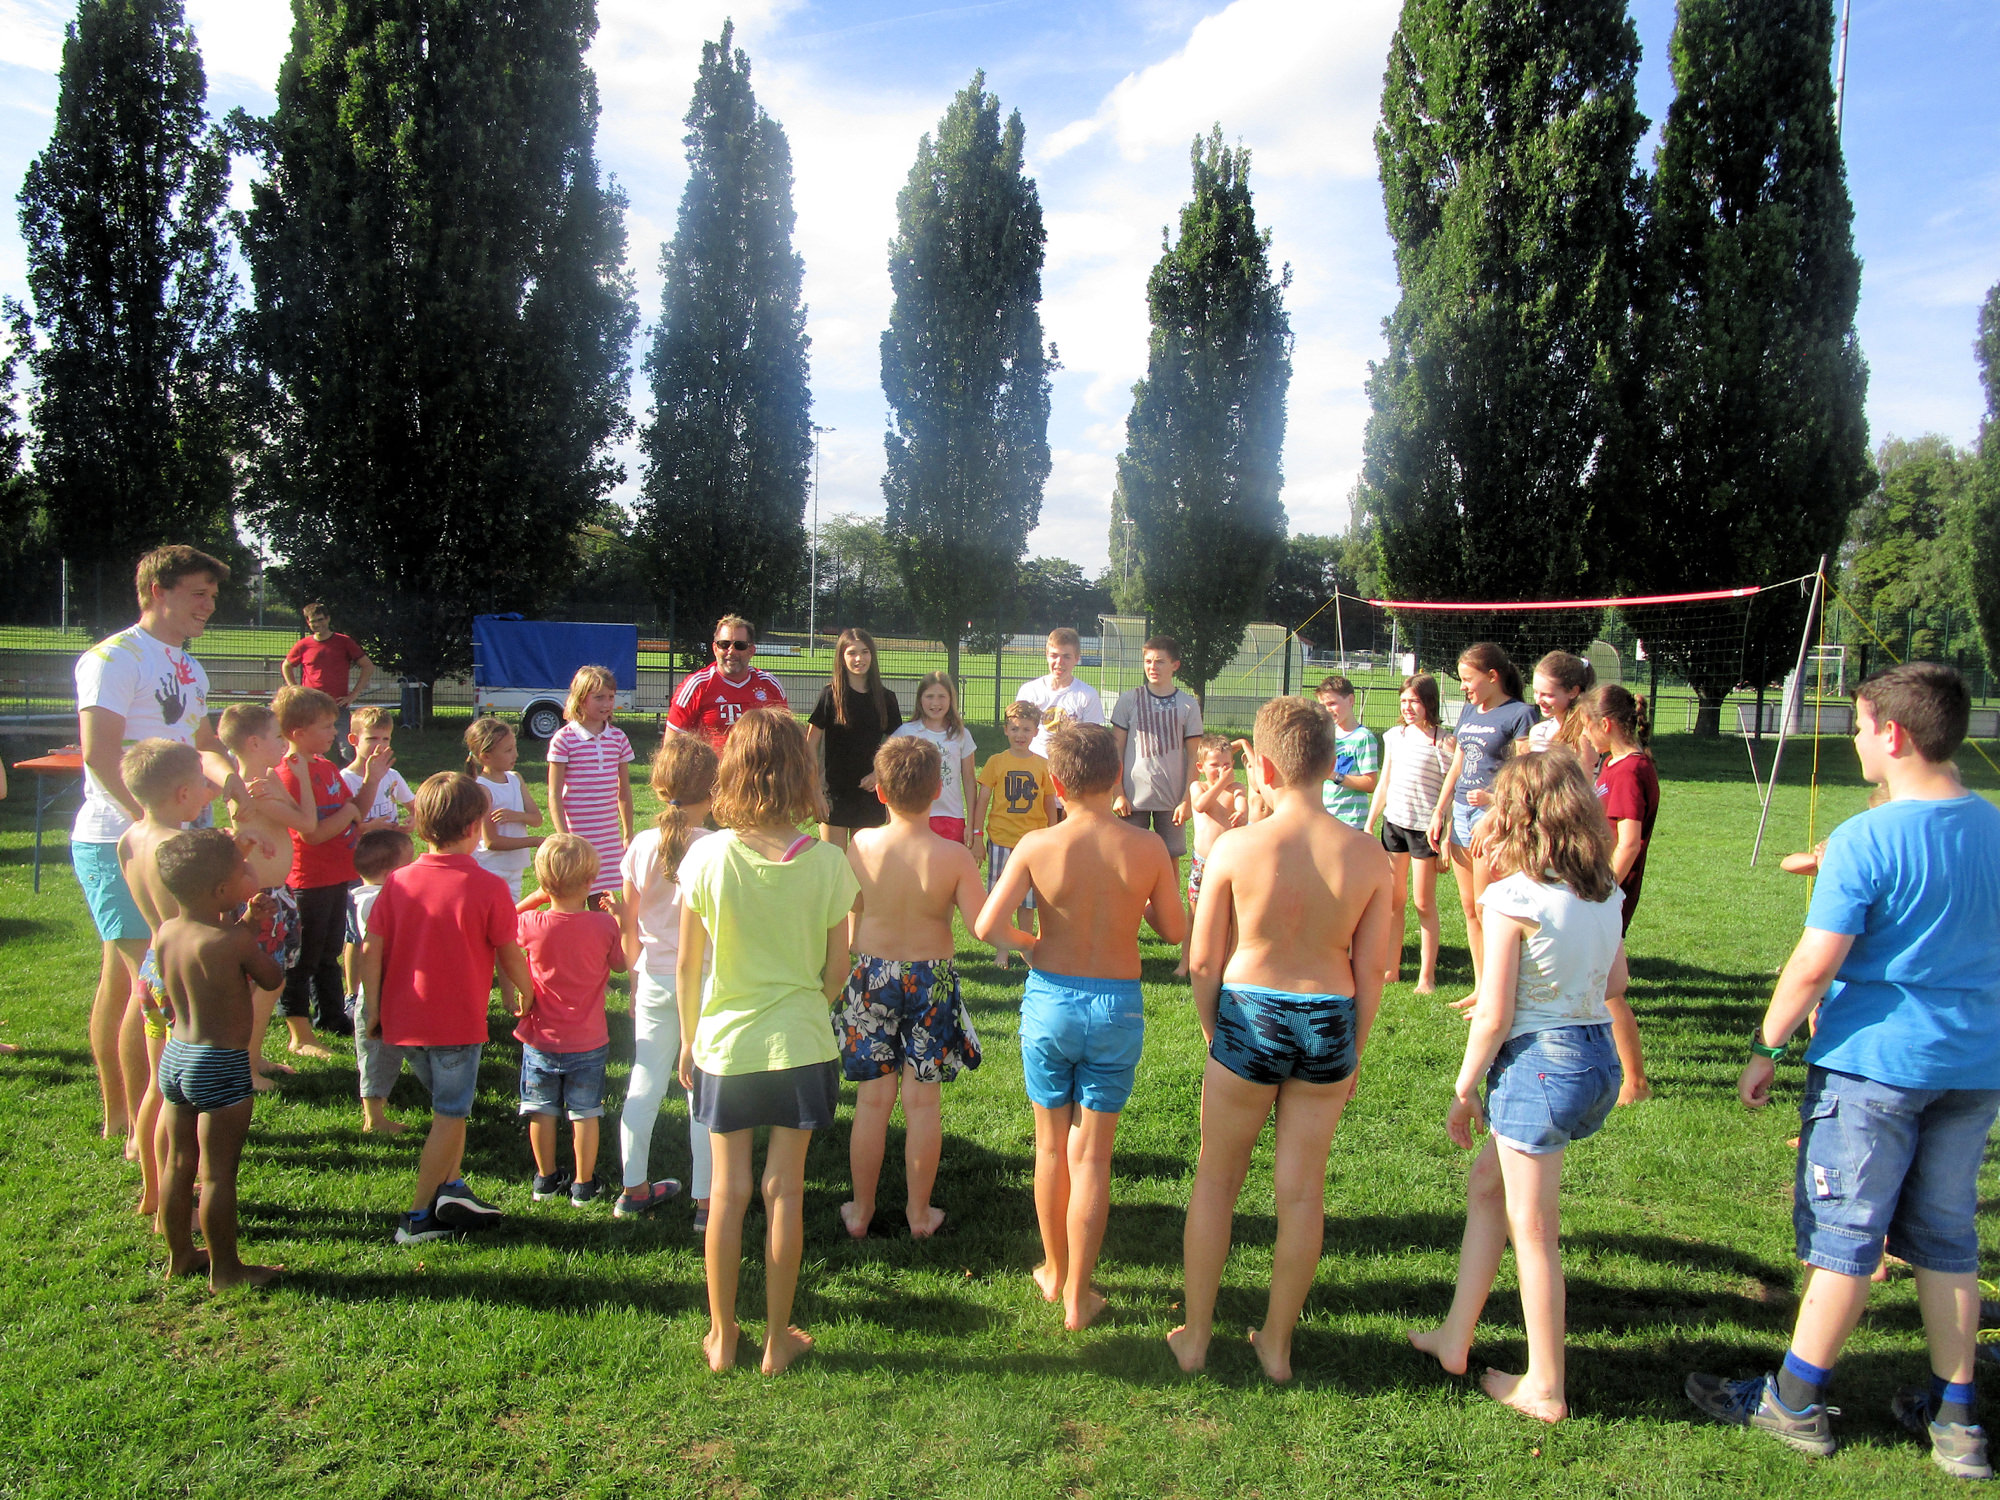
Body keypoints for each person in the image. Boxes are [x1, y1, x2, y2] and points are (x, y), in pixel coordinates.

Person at [1687, 664, 2000, 1483]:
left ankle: (1793, 1401)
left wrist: (1767, 1047)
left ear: (1892, 734)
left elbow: (1813, 963)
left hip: (1874, 1071)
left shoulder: (1867, 838)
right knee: (1948, 1241)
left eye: (1859, 725)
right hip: (1974, 1067)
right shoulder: (1993, 827)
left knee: (1846, 1240)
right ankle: (1957, 1419)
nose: (1856, 739)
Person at [1170, 697, 1394, 1382]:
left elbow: (1203, 961)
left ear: (1262, 767)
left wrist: (1215, 1033)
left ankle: (1196, 1337)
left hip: (1250, 1014)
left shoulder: (1236, 848)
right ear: (1330, 764)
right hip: (1329, 1021)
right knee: (1301, 1193)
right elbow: (1372, 970)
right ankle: (1276, 1344)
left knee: (1216, 1180)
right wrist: (1354, 1049)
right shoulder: (1369, 856)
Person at [1407, 752, 1627, 1425]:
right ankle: (1454, 1338)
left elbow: (1495, 1014)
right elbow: (1615, 985)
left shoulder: (1512, 896)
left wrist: (1464, 1088)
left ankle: (1546, 1387)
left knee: (1532, 1230)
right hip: (1597, 1061)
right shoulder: (1605, 892)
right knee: (1487, 1187)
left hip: (1541, 1069)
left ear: (1518, 817)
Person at [974, 722, 1188, 1331]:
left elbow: (987, 926)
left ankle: (1053, 1270)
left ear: (1058, 783)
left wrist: (1032, 943)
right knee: (1092, 1156)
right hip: (1117, 1004)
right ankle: (1079, 1295)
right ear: (1117, 777)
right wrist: (1138, 899)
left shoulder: (1036, 845)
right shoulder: (1146, 849)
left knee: (1049, 1145)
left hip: (1051, 999)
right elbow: (1175, 930)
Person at [676, 710, 858, 1376]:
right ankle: (777, 1341)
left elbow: (687, 966)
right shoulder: (830, 863)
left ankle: (722, 1336)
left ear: (733, 771)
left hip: (725, 1047)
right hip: (802, 1046)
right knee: (786, 1191)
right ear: (801, 773)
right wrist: (809, 1004)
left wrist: (689, 1040)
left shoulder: (705, 856)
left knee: (728, 1194)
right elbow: (838, 972)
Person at [72, 545, 249, 1152]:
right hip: (120, 839)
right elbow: (99, 753)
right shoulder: (114, 658)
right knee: (147, 978)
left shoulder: (189, 666)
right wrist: (149, 828)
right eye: (199, 593)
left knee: (131, 975)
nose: (209, 605)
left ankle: (131, 1115)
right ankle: (137, 1124)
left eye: (213, 596)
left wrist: (232, 783)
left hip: (176, 839)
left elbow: (203, 743)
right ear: (158, 591)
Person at [356, 772, 533, 1245]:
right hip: (455, 1025)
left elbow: (372, 950)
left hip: (402, 1021)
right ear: (475, 827)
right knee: (450, 1114)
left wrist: (372, 1010)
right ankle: (418, 1217)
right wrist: (526, 991)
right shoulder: (489, 887)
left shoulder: (397, 882)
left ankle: (451, 1189)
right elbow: (510, 953)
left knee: (450, 1108)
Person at [837, 737, 988, 1240]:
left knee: (871, 1103)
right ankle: (919, 1214)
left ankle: (860, 1211)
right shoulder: (955, 856)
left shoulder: (861, 844)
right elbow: (981, 926)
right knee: (922, 1106)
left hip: (873, 977)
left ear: (879, 792)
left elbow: (852, 908)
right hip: (931, 980)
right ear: (939, 789)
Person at [150, 828, 286, 1289]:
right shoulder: (233, 942)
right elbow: (271, 978)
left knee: (178, 1164)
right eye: (240, 872)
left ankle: (181, 1256)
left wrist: (245, 923)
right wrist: (257, 936)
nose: (248, 874)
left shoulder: (167, 932)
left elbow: (211, 955)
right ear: (221, 890)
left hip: (177, 1057)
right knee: (218, 1174)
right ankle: (226, 1271)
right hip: (220, 1063)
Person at [115, 739, 221, 1220]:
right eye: (202, 783)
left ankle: (152, 1193)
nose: (207, 790)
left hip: (151, 970)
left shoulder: (130, 837)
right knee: (177, 1097)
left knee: (157, 1088)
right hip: (182, 976)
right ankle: (169, 1207)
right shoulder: (178, 849)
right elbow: (204, 915)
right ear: (182, 793)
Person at [617, 735, 717, 1223]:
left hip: (654, 975)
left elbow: (628, 922)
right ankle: (706, 1202)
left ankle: (633, 1186)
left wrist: (634, 978)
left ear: (660, 786)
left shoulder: (640, 844)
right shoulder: (717, 847)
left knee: (645, 1079)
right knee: (704, 1087)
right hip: (708, 979)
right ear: (714, 790)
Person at [515, 834, 626, 1207]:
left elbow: (504, 920)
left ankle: (545, 1179)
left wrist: (536, 898)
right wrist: (620, 920)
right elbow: (621, 964)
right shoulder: (603, 927)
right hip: (589, 1038)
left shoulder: (531, 922)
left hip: (540, 1037)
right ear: (591, 880)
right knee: (585, 1112)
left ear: (543, 882)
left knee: (541, 1110)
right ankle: (583, 1184)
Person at [274, 685, 386, 1053]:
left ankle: (331, 1016)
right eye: (325, 726)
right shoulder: (289, 774)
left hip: (338, 874)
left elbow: (356, 810)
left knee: (328, 952)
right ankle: (298, 1033)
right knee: (302, 957)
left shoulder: (324, 766)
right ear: (298, 732)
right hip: (309, 880)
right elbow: (314, 833)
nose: (333, 732)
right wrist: (350, 813)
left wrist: (372, 779)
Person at [215, 703, 316, 1091]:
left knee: (273, 982)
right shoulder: (253, 789)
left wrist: (284, 789)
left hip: (277, 894)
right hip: (261, 900)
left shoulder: (267, 780)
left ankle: (253, 1057)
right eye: (276, 737)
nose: (283, 744)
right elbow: (308, 824)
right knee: (262, 985)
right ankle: (245, 1066)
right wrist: (301, 777)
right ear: (254, 743)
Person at [1429, 644, 1537, 1000]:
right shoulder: (1469, 710)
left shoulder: (1521, 714)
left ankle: (1500, 990)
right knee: (1469, 907)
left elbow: (1525, 776)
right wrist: (1440, 810)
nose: (1463, 687)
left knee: (1488, 905)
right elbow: (1458, 765)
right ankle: (1481, 987)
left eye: (1468, 679)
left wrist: (1493, 808)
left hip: (1494, 820)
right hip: (1461, 814)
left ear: (1493, 676)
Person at [1580, 684, 1659, 1104]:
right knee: (1599, 983)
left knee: (1609, 988)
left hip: (1609, 892)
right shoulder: (1613, 763)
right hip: (1599, 886)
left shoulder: (1629, 771)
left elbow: (1629, 842)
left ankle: (1635, 1082)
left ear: (1606, 724)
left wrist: (1603, 890)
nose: (1585, 735)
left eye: (1588, 726)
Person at [1365, 675, 1454, 993]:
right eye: (1403, 701)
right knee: (1393, 900)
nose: (1407, 707)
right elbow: (1384, 782)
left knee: (1423, 903)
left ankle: (1426, 977)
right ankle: (1391, 968)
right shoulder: (1395, 736)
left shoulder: (1444, 742)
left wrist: (1446, 836)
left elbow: (1450, 793)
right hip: (1394, 825)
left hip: (1424, 831)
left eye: (1414, 701)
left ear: (1429, 702)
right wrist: (1370, 822)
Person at [465, 715, 544, 1015]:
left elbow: (536, 817)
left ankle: (509, 1000)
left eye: (514, 748)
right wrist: (534, 841)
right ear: (485, 756)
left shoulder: (515, 779)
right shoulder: (481, 788)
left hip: (513, 870)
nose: (515, 754)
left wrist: (516, 816)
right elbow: (491, 841)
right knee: (494, 938)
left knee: (505, 937)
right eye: (508, 750)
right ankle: (493, 998)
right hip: (491, 870)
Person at [806, 627, 902, 848]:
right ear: (842, 657)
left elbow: (896, 743)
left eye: (865, 652)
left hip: (870, 793)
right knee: (835, 863)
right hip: (834, 795)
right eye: (852, 653)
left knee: (864, 864)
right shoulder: (829, 695)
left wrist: (878, 774)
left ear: (872, 655)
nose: (859, 658)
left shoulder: (886, 698)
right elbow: (809, 746)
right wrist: (816, 793)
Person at [1110, 634, 1204, 861]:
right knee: (1132, 858)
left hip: (1172, 800)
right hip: (1133, 799)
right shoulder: (1128, 700)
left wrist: (1187, 799)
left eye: (1160, 661)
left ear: (1175, 665)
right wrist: (1118, 793)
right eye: (1148, 661)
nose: (1153, 667)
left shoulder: (1188, 705)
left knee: (1170, 857)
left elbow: (1195, 756)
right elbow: (1115, 750)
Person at [547, 664, 635, 901]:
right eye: (599, 697)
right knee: (572, 899)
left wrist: (628, 833)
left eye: (611, 697)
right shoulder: (564, 740)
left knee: (604, 902)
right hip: (577, 836)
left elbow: (624, 791)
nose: (607, 703)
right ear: (580, 699)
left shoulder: (618, 738)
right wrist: (564, 837)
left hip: (608, 839)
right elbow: (554, 794)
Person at [348, 827, 415, 1134]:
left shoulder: (371, 896)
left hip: (392, 990)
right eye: (409, 864)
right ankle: (374, 1117)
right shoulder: (373, 901)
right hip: (378, 994)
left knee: (390, 1050)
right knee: (376, 1052)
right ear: (392, 874)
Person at [976, 701, 1054, 965]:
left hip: (1032, 843)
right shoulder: (996, 762)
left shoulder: (1043, 765)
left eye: (1026, 729)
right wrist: (977, 834)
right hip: (1001, 839)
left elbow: (1049, 802)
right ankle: (1003, 950)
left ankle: (1026, 947)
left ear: (1036, 732)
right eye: (1015, 728)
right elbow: (983, 799)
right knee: (1002, 898)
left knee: (1028, 901)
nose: (1020, 734)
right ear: (1006, 730)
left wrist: (1052, 834)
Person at [666, 613, 790, 749]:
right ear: (715, 649)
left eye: (740, 645)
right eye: (724, 644)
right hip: (712, 763)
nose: (731, 651)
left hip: (757, 763)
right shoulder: (697, 686)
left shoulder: (770, 685)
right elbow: (672, 746)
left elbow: (787, 739)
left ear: (751, 651)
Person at [1180, 734, 1248, 977]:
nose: (1221, 770)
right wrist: (1220, 783)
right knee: (1195, 914)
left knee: (1229, 916)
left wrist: (1242, 814)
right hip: (1202, 862)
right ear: (1200, 767)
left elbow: (1242, 807)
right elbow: (1200, 805)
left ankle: (1226, 962)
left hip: (1228, 863)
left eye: (1226, 765)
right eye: (1215, 765)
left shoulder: (1237, 789)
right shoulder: (1198, 787)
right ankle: (1185, 962)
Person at [891, 671, 978, 848]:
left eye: (941, 697)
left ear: (951, 699)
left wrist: (971, 824)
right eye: (929, 696)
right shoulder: (906, 732)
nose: (935, 703)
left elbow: (969, 780)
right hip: (914, 816)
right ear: (920, 699)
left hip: (951, 817)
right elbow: (889, 774)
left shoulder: (961, 734)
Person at [281, 602, 375, 760]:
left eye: (320, 620)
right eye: (313, 622)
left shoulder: (344, 642)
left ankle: (347, 775)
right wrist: (295, 689)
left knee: (348, 749)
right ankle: (313, 773)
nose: (318, 624)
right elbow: (286, 665)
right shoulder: (304, 645)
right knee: (310, 748)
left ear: (328, 619)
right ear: (308, 623)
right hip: (311, 706)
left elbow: (368, 666)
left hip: (338, 704)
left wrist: (354, 694)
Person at [1017, 627, 1104, 760]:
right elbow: (1017, 733)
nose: (1059, 662)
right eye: (1054, 655)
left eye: (1066, 656)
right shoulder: (1029, 691)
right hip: (1033, 764)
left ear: (1077, 658)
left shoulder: (1087, 695)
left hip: (1070, 765)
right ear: (1047, 655)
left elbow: (1093, 741)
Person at [1314, 676, 1379, 831]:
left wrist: (1333, 775)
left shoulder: (1363, 738)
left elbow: (1370, 783)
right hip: (1325, 817)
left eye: (1332, 703)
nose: (1327, 710)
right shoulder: (1328, 735)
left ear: (1350, 700)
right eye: (1323, 705)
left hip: (1350, 821)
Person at [341, 706, 415, 832]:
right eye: (372, 739)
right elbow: (342, 827)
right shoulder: (345, 780)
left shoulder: (392, 775)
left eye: (385, 739)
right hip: (362, 844)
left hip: (391, 842)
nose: (380, 745)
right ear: (354, 740)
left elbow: (415, 807)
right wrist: (367, 828)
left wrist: (414, 818)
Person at [1526, 651, 1597, 758]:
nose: (1538, 701)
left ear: (1573, 692)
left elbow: (1585, 768)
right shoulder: (1538, 731)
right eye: (1535, 692)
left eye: (1548, 695)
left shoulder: (1585, 734)